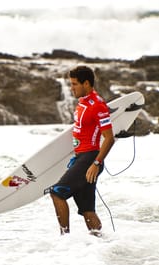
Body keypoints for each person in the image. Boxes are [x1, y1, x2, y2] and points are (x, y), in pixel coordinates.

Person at [46, 66, 115, 236]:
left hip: (90, 159)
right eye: (70, 84)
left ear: (86, 83)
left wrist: (96, 163)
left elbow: (109, 138)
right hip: (81, 158)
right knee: (87, 210)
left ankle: (65, 238)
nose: (71, 88)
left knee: (57, 193)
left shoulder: (98, 105)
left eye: (75, 84)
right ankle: (101, 242)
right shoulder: (82, 102)